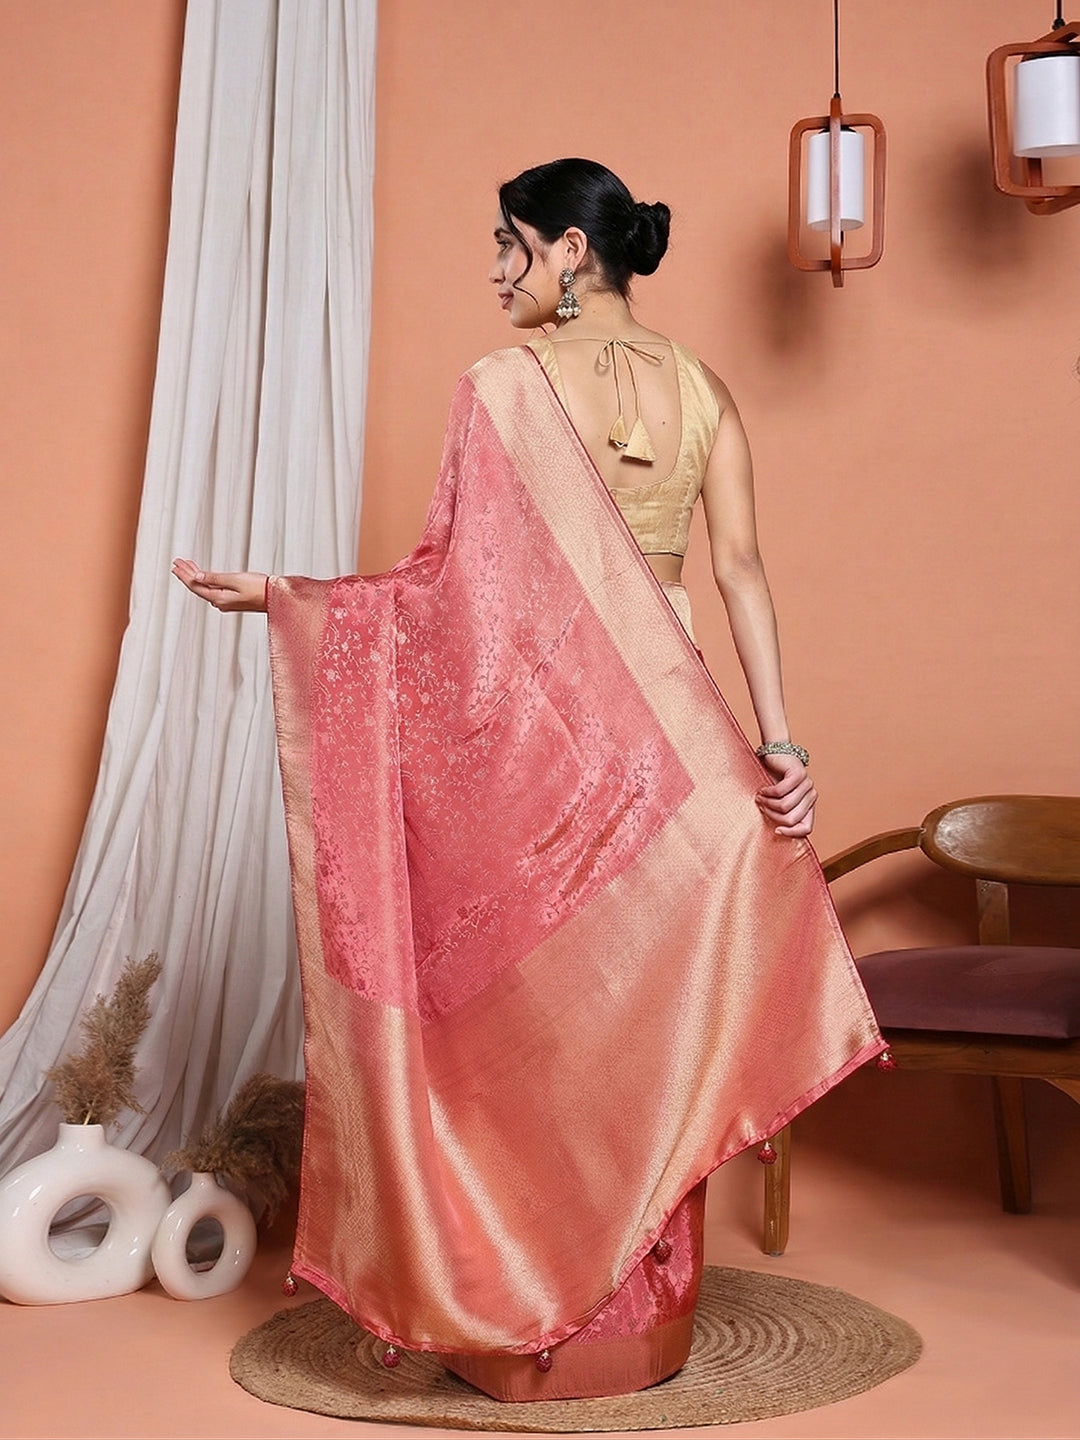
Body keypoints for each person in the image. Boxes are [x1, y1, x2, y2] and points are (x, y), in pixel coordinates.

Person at [174, 158, 880, 1403]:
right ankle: (634, 1313)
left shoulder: (506, 386)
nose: (497, 271)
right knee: (646, 1019)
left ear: (569, 250)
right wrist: (782, 749)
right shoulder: (704, 390)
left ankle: (524, 1291)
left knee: (543, 1024)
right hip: (681, 750)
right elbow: (742, 574)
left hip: (552, 750)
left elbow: (451, 593)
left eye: (510, 244)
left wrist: (292, 602)